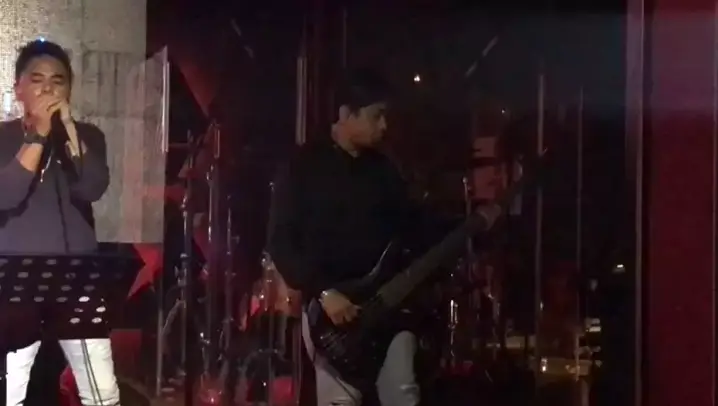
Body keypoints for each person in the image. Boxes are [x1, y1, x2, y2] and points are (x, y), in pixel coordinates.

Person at [267, 70, 421, 406]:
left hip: (388, 309)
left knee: (403, 394)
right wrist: (323, 291)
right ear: (346, 113)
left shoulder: (386, 171)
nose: (384, 126)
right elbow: (280, 242)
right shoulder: (302, 167)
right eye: (376, 115)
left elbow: (410, 231)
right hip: (331, 316)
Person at [0, 40, 118, 406]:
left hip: (77, 280)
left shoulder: (87, 136)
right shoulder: (3, 137)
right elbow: (5, 195)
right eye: (37, 80)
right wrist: (37, 135)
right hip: (16, 283)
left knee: (102, 392)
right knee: (10, 390)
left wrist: (66, 128)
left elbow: (94, 186)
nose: (48, 89)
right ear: (19, 88)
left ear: (70, 90)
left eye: (58, 81)